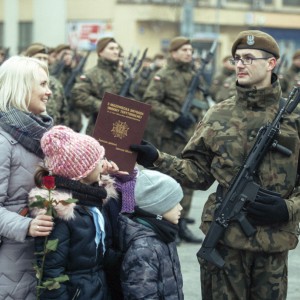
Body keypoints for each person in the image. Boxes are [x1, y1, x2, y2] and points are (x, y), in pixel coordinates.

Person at [130, 30, 300, 299]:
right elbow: (198, 174)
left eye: (248, 58)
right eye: (236, 59)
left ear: (271, 63)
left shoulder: (294, 118)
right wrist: (157, 159)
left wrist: (289, 208)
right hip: (225, 241)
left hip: (273, 244)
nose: (240, 64)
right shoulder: (218, 113)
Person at [28, 125, 121, 299]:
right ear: (81, 173)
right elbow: (51, 274)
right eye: (98, 161)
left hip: (96, 290)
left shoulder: (93, 199)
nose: (103, 164)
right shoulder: (60, 212)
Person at [142, 36, 208, 244]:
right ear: (173, 53)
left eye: (190, 50)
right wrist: (175, 116)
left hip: (192, 135)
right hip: (170, 136)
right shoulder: (163, 75)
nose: (189, 53)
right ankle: (165, 223)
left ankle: (181, 223)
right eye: (184, 50)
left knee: (188, 180)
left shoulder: (195, 76)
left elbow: (204, 99)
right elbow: (150, 100)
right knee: (168, 178)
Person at [0, 56, 54, 299]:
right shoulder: (3, 141)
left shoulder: (43, 135)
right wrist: (26, 225)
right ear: (21, 86)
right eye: (42, 85)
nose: (49, 92)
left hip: (41, 257)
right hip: (11, 264)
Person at [119, 169, 184, 299]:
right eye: (174, 203)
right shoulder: (144, 249)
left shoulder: (164, 233)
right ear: (158, 207)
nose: (181, 207)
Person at [71, 37, 126, 135]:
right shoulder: (91, 74)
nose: (116, 52)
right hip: (98, 128)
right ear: (100, 52)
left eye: (117, 49)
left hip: (120, 128)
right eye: (111, 49)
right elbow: (78, 95)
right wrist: (105, 106)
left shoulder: (121, 75)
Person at [24, 43, 70, 126]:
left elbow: (64, 113)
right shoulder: (22, 83)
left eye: (45, 58)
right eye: (38, 58)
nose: (42, 61)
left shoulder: (56, 84)